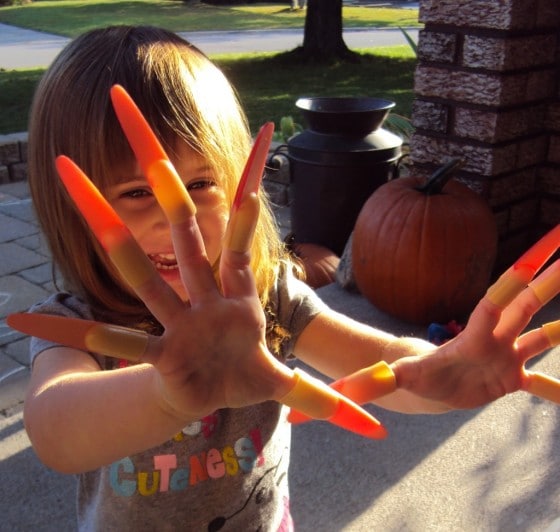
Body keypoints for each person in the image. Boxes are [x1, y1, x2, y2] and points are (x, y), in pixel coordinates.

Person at [21, 25, 558, 531]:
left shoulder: (269, 299)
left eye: (203, 181)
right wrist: (167, 392)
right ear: (72, 209)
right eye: (137, 193)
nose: (174, 213)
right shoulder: (74, 326)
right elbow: (56, 433)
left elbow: (386, 367)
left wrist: (447, 372)